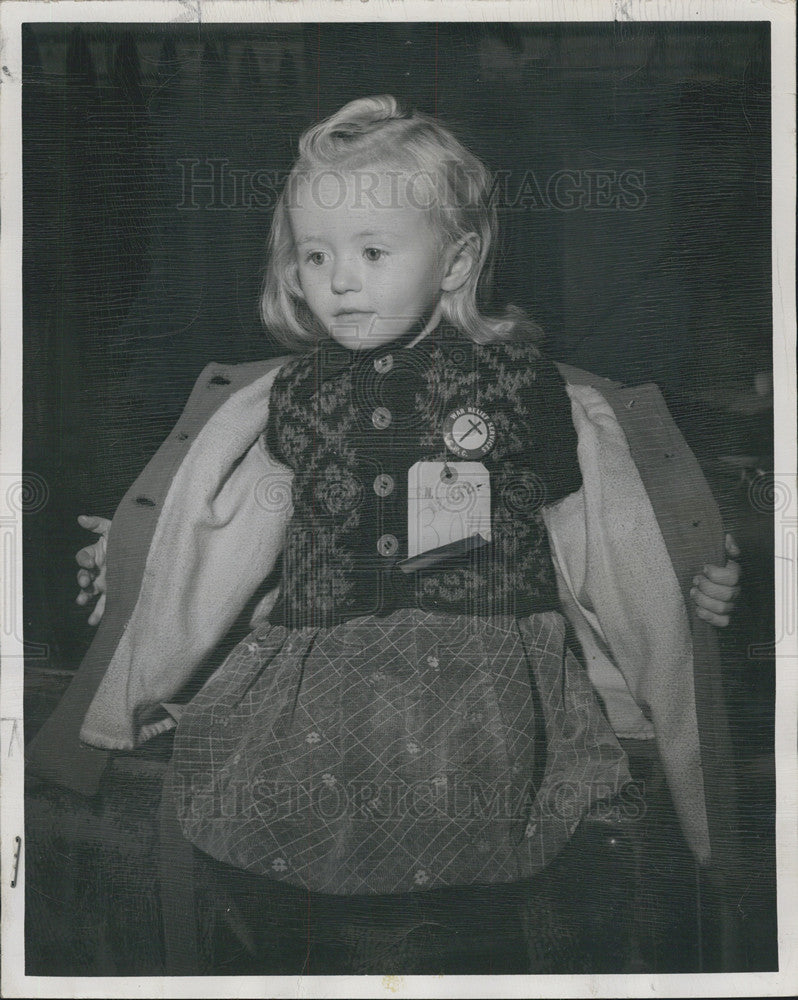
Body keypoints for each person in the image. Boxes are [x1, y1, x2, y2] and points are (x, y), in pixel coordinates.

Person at [32, 95, 740, 975]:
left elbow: (604, 530)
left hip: (486, 687)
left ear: (456, 262)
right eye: (315, 255)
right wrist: (137, 563)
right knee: (301, 897)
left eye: (372, 252)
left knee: (495, 909)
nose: (338, 280)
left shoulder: (523, 389)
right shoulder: (292, 398)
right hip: (319, 682)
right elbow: (220, 531)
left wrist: (694, 573)